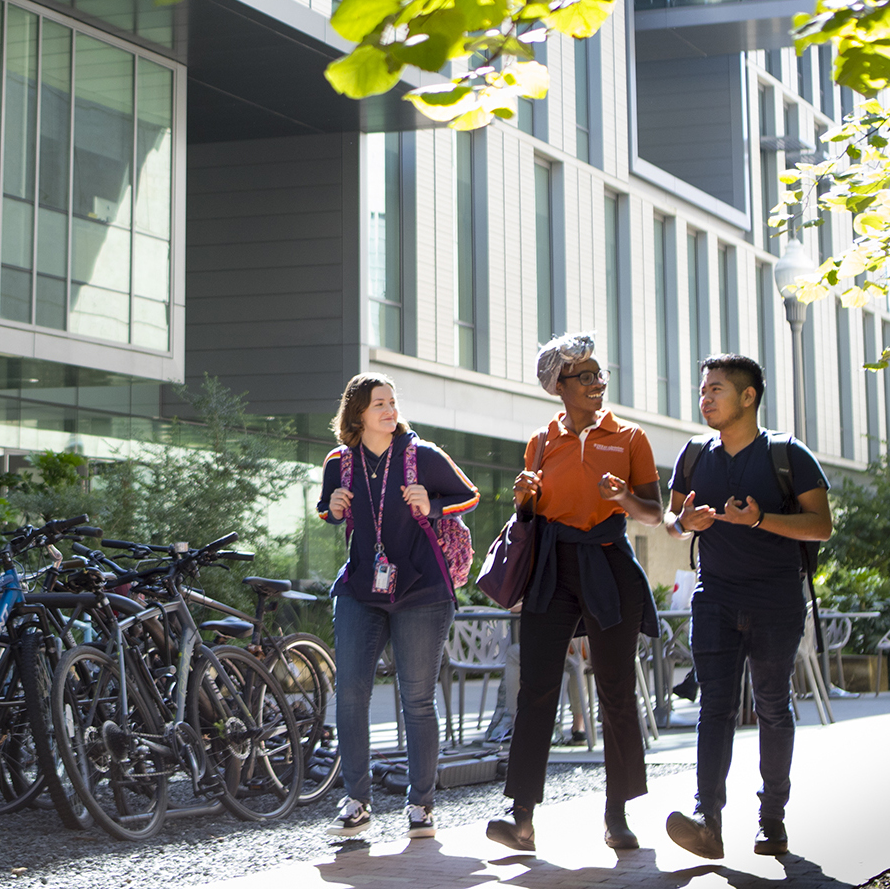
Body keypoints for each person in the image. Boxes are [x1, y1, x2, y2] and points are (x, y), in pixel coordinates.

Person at [486, 332, 662, 855]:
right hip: (553, 569)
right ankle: (521, 819)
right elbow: (532, 518)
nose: (598, 383)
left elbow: (653, 512)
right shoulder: (541, 442)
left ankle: (618, 815)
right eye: (585, 376)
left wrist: (623, 496)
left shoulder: (630, 438)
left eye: (599, 374)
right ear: (558, 386)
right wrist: (524, 502)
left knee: (616, 690)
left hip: (608, 563)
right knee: (535, 689)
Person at [662, 354, 832, 861]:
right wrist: (685, 524)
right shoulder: (693, 455)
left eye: (715, 388)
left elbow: (821, 525)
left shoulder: (788, 454)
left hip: (776, 600)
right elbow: (673, 522)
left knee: (772, 707)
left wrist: (760, 520)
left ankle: (771, 819)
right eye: (703, 389)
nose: (704, 397)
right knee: (714, 707)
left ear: (748, 396)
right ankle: (706, 820)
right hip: (713, 598)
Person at [316, 374, 480, 840]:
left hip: (423, 592)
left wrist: (432, 505)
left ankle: (421, 805)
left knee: (416, 699)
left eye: (392, 402)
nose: (389, 410)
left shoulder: (421, 455)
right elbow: (327, 511)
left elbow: (468, 494)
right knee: (350, 694)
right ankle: (356, 801)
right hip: (361, 589)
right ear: (358, 415)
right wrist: (334, 507)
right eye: (379, 404)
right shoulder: (339, 462)